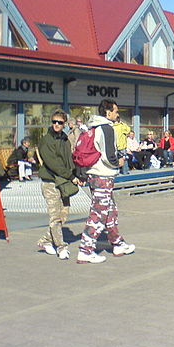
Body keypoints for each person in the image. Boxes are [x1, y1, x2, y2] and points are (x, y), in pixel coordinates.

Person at [77, 99, 134, 264]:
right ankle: (85, 250)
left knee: (110, 211)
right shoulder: (107, 128)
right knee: (98, 213)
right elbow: (109, 156)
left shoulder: (91, 127)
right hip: (104, 175)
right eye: (116, 111)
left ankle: (117, 243)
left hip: (94, 174)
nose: (117, 114)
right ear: (108, 112)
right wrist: (119, 162)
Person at [37, 110, 79, 260]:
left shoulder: (65, 140)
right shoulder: (46, 140)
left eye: (60, 122)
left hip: (63, 182)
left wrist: (77, 174)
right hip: (50, 181)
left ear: (65, 124)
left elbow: (69, 161)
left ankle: (45, 240)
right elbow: (52, 163)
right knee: (55, 216)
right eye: (54, 121)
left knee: (64, 214)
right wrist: (71, 176)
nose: (56, 124)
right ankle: (61, 246)